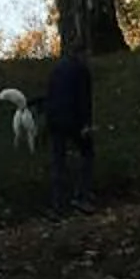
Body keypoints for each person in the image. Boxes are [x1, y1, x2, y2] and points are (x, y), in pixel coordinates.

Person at [44, 46, 95, 214]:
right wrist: (86, 124)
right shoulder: (81, 71)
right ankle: (81, 196)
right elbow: (84, 99)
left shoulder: (56, 70)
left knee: (58, 161)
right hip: (74, 120)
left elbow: (50, 95)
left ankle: (57, 204)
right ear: (83, 54)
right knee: (87, 154)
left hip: (54, 121)